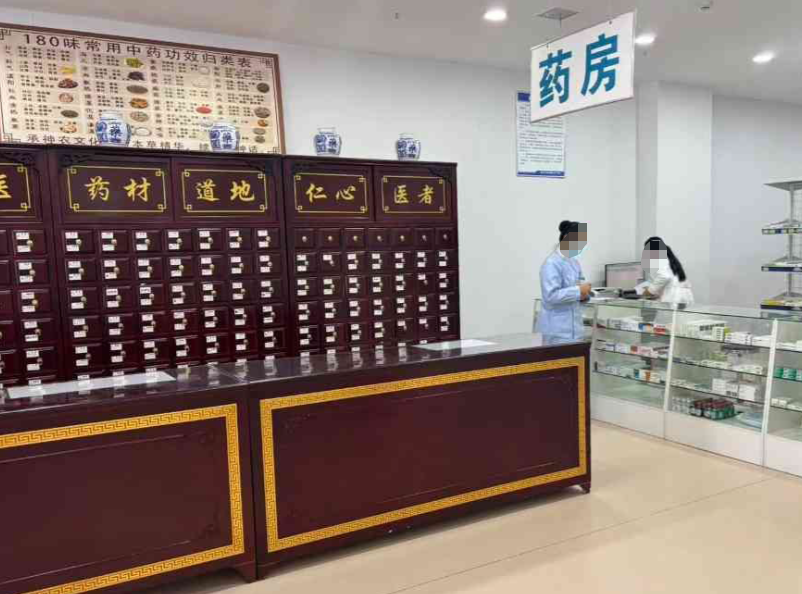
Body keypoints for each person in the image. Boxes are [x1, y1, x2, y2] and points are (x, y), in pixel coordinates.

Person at [536, 220, 591, 340]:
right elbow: (551, 296)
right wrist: (578, 291)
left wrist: (585, 295)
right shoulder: (551, 263)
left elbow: (578, 289)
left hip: (575, 329)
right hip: (556, 331)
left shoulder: (574, 263)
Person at [636, 236, 694, 305]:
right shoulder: (671, 259)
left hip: (672, 300)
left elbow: (665, 276)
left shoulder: (663, 261)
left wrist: (648, 292)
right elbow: (670, 280)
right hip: (683, 298)